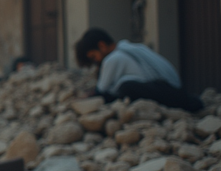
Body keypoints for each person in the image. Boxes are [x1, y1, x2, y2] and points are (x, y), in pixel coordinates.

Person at [74, 28, 204, 112]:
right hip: (170, 88)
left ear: (101, 46)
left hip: (166, 90)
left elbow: (102, 90)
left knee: (126, 87)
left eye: (93, 57)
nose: (96, 61)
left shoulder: (113, 58)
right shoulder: (128, 48)